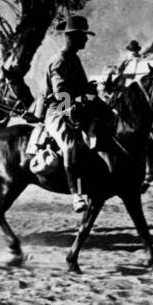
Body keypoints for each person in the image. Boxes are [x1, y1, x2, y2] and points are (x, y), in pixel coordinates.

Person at [39, 15, 97, 213]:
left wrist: (90, 90)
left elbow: (80, 87)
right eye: (83, 36)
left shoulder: (74, 58)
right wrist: (72, 107)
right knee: (71, 145)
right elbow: (61, 93)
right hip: (57, 111)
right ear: (72, 37)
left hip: (77, 108)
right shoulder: (59, 61)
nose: (86, 40)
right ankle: (76, 195)